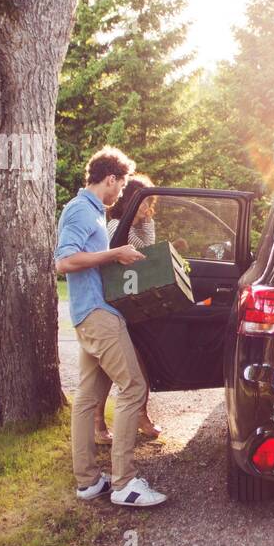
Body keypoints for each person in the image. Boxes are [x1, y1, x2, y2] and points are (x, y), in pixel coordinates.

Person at [54, 146, 167, 508]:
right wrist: (114, 254)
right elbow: (64, 261)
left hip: (91, 313)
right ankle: (125, 483)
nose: (121, 194)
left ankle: (88, 482)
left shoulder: (94, 213)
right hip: (97, 316)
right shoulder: (79, 211)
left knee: (87, 400)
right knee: (134, 385)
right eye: (120, 186)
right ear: (110, 179)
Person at [96, 174, 160, 443]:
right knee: (109, 370)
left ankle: (140, 415)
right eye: (144, 202)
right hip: (115, 304)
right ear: (131, 201)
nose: (149, 208)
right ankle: (99, 424)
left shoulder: (138, 226)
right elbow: (141, 255)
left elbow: (150, 247)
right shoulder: (115, 227)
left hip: (133, 302)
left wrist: (145, 216)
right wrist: (137, 216)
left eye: (150, 202)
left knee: (136, 361)